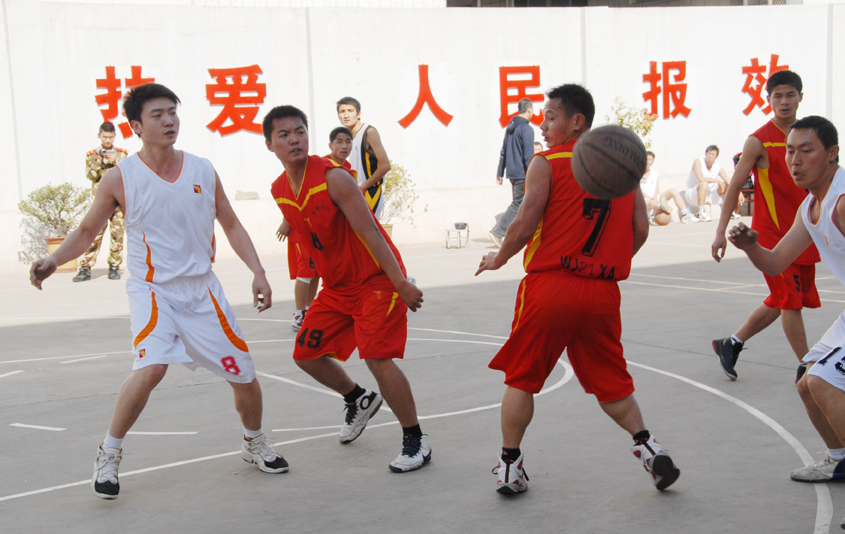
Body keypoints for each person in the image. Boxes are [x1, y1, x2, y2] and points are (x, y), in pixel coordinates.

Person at [30, 83, 288, 500]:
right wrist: (53, 260)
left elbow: (231, 224)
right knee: (151, 368)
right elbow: (86, 231)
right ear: (136, 126)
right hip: (153, 290)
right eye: (158, 115)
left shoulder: (202, 169)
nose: (169, 121)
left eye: (173, 112)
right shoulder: (120, 177)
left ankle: (253, 442)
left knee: (244, 374)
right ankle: (109, 453)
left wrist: (258, 271)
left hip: (202, 291)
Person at [475, 83, 680, 495]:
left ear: (577, 121)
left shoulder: (547, 162)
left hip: (551, 287)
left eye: (551, 117)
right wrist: (608, 259)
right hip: (601, 292)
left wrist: (500, 257)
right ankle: (649, 448)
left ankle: (510, 466)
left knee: (522, 378)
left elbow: (524, 222)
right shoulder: (623, 168)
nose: (543, 125)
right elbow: (640, 229)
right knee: (612, 381)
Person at [265, 105, 430, 473]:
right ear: (270, 144)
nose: (294, 139)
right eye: (284, 134)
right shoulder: (280, 190)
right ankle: (357, 398)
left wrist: (400, 282)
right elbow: (314, 248)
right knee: (305, 354)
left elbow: (371, 232)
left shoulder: (334, 178)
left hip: (376, 280)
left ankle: (416, 439)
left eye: (300, 131)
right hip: (338, 288)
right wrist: (305, 304)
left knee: (376, 357)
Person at [726, 117, 845, 523]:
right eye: (790, 151)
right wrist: (750, 245)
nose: (794, 160)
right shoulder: (811, 207)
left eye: (806, 151)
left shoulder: (842, 201)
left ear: (832, 154)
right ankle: (839, 459)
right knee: (807, 380)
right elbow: (777, 261)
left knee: (823, 381)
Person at [711, 70, 820, 382]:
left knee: (782, 299)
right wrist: (720, 232)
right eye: (777, 96)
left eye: (790, 95)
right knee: (790, 303)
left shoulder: (809, 136)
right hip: (771, 238)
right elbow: (734, 186)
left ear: (800, 97)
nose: (784, 101)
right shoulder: (759, 140)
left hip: (802, 233)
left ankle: (731, 343)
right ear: (768, 99)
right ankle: (809, 368)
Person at [274, 127, 355, 331]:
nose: (344, 146)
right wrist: (286, 220)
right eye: (339, 142)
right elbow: (294, 189)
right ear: (330, 145)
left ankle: (309, 310)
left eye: (348, 142)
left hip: (324, 233)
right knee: (306, 272)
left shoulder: (346, 169)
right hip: (305, 232)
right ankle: (298, 313)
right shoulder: (319, 166)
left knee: (317, 272)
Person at [74, 122, 129, 282]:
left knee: (117, 236)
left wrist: (117, 161)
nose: (107, 140)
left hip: (117, 203)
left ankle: (114, 267)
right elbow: (91, 176)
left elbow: (128, 175)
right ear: (99, 136)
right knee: (93, 235)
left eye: (110, 137)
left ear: (114, 136)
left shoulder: (122, 155)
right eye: (104, 137)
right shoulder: (93, 155)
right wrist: (98, 161)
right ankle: (85, 268)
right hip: (99, 203)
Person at [489, 98, 535, 248]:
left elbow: (503, 152)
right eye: (532, 110)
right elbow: (528, 155)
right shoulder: (526, 129)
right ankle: (498, 232)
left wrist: (500, 172)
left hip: (513, 173)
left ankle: (515, 235)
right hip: (522, 173)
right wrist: (532, 173)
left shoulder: (510, 128)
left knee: (522, 206)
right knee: (518, 204)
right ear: (529, 109)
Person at [337, 97, 391, 220]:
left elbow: (385, 165)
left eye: (350, 111)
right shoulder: (349, 137)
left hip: (370, 192)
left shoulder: (369, 132)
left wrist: (364, 186)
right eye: (342, 111)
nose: (346, 115)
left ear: (358, 114)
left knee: (368, 230)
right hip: (358, 193)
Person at [640, 151, 698, 225]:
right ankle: (661, 207)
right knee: (649, 202)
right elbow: (638, 190)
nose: (647, 161)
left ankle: (685, 214)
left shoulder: (655, 173)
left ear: (653, 161)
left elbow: (656, 189)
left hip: (655, 198)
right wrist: (650, 198)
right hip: (643, 200)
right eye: (646, 159)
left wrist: (655, 197)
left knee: (673, 191)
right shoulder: (637, 172)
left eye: (649, 159)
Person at [683, 145, 730, 222]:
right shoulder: (698, 161)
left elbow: (728, 180)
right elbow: (700, 178)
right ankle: (701, 212)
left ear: (716, 156)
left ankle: (728, 211)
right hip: (693, 194)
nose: (710, 156)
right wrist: (717, 180)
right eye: (709, 153)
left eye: (713, 154)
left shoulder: (717, 167)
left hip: (709, 194)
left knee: (725, 184)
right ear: (705, 154)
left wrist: (739, 192)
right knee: (704, 183)